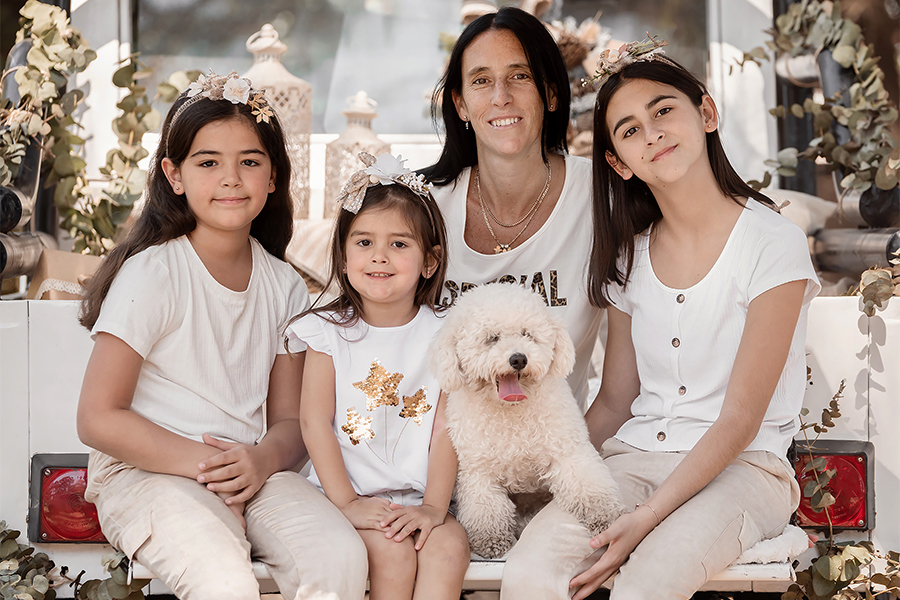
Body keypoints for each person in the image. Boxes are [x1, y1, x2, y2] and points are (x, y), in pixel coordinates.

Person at [501, 38, 821, 600]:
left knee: (646, 584)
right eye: (628, 130)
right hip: (633, 461)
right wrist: (545, 478)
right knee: (530, 571)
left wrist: (644, 519)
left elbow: (741, 419)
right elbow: (615, 400)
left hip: (743, 471)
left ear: (706, 112)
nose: (651, 134)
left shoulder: (773, 243)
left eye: (663, 111)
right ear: (618, 164)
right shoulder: (631, 254)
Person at [76, 71, 367, 600]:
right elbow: (98, 418)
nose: (231, 178)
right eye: (208, 162)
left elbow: (289, 422)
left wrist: (257, 462)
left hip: (251, 470)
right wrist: (212, 470)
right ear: (175, 173)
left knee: (340, 559)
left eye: (249, 162)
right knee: (223, 579)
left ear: (274, 176)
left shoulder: (284, 286)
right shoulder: (154, 273)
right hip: (148, 472)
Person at [286, 153, 470, 600]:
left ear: (430, 261)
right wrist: (347, 503)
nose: (380, 257)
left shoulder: (447, 332)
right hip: (347, 496)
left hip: (425, 497)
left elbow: (448, 428)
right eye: (363, 243)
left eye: (399, 244)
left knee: (448, 549)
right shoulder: (327, 333)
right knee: (392, 555)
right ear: (344, 258)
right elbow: (314, 422)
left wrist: (432, 509)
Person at [422, 6, 602, 409]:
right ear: (461, 104)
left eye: (519, 76)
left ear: (552, 93)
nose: (501, 97)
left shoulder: (599, 198)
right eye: (481, 80)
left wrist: (572, 451)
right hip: (429, 453)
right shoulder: (423, 205)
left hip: (553, 445)